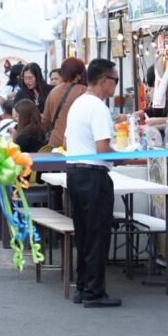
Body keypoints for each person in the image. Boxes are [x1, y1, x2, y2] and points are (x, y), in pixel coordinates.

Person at [64, 59, 121, 308]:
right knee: (97, 234)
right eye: (115, 80)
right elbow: (102, 149)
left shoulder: (78, 103)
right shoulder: (98, 108)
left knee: (84, 233)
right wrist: (126, 157)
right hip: (94, 175)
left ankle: (83, 286)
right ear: (105, 80)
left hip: (75, 172)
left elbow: (66, 141)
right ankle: (94, 291)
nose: (115, 85)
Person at [41, 57, 87, 150]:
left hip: (55, 143)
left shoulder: (53, 91)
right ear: (79, 74)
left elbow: (45, 121)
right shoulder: (84, 91)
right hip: (76, 144)